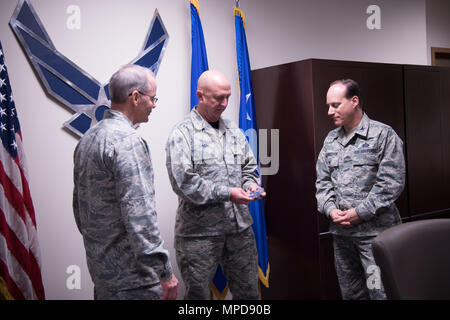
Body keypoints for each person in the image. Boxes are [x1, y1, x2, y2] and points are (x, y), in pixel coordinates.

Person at [73, 64, 178, 300]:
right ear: (135, 97)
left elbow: (80, 211)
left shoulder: (88, 138)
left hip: (103, 277)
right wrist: (165, 273)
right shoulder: (128, 142)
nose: (154, 105)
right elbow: (141, 218)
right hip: (135, 283)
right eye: (153, 98)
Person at [165, 70, 265, 300]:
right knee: (198, 297)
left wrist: (250, 184)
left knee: (249, 295)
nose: (225, 103)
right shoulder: (182, 134)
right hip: (199, 235)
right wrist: (228, 193)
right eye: (218, 98)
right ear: (200, 96)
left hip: (239, 230)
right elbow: (184, 183)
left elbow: (249, 167)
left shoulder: (233, 131)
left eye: (228, 96)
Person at [315, 79, 406, 300]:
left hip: (374, 239)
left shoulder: (383, 135)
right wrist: (329, 209)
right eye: (328, 105)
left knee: (379, 292)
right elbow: (322, 181)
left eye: (335, 105)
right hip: (343, 238)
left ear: (354, 101)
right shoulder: (331, 140)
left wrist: (360, 213)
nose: (329, 111)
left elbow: (391, 183)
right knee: (351, 294)